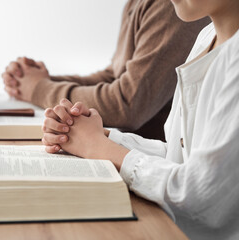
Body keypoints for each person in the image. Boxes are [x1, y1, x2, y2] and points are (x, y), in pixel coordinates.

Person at [41, 0, 239, 239]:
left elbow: (201, 195)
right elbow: (182, 157)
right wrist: (101, 136)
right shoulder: (206, 38)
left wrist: (98, 147)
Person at [2, 0, 210, 140]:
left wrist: (39, 88)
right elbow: (114, 75)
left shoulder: (172, 6)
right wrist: (38, 81)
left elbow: (127, 104)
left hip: (153, 158)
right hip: (132, 150)